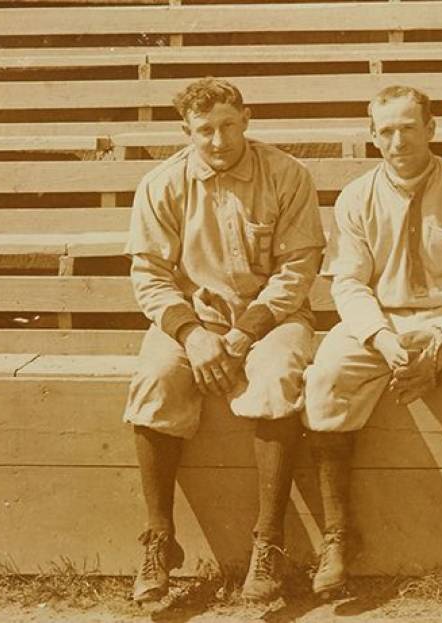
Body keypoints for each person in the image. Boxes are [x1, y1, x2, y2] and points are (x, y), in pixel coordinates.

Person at [302, 85, 442, 604]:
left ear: (430, 128)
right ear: (373, 136)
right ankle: (337, 535)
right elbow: (348, 283)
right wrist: (379, 336)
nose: (398, 140)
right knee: (326, 377)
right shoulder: (358, 197)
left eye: (408, 127)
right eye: (386, 131)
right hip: (383, 320)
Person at [122, 77, 325, 604]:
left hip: (271, 319)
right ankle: (160, 540)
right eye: (205, 130)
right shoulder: (162, 184)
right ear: (186, 131)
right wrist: (191, 334)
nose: (218, 140)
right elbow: (149, 273)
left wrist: (245, 332)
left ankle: (268, 543)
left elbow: (299, 265)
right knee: (155, 379)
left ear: (247, 118)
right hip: (193, 321)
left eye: (229, 125)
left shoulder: (286, 174)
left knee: (279, 375)